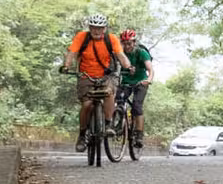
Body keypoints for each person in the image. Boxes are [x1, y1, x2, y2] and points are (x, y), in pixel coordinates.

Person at [60, 13, 130, 152]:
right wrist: (66, 66)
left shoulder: (111, 39)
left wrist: (128, 67)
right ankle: (82, 134)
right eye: (93, 28)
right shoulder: (82, 37)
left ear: (104, 29)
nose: (96, 31)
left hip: (106, 76)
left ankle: (108, 125)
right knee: (87, 104)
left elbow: (120, 55)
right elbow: (72, 53)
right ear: (90, 28)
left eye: (100, 28)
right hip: (86, 75)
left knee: (109, 93)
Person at [118, 28, 154, 148]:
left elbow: (150, 69)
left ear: (134, 42)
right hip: (126, 82)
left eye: (129, 43)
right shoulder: (120, 53)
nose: (127, 46)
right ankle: (118, 123)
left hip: (140, 82)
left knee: (137, 106)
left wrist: (148, 80)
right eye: (124, 43)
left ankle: (139, 135)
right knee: (118, 100)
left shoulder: (141, 52)